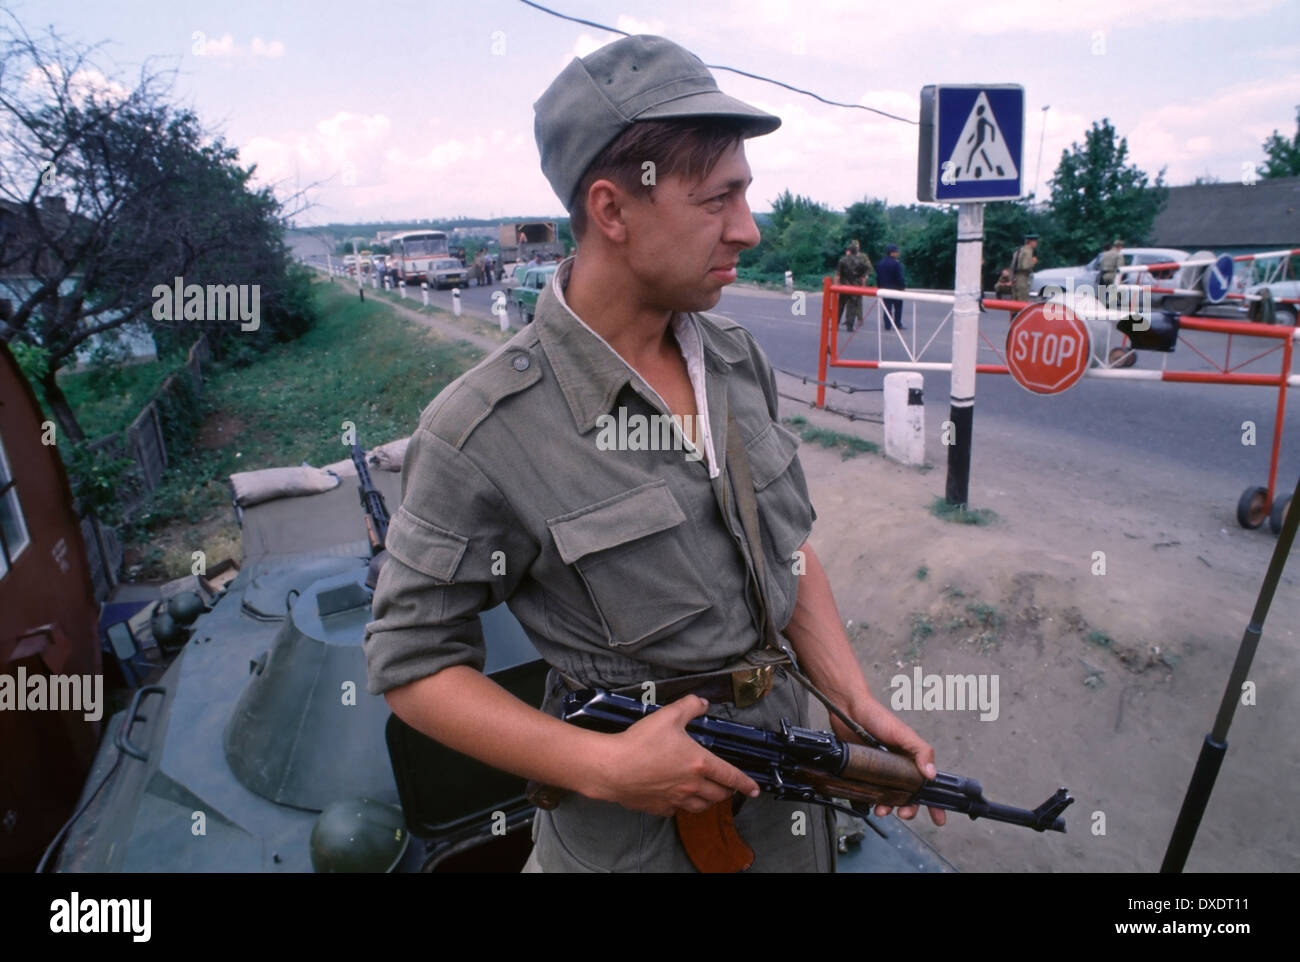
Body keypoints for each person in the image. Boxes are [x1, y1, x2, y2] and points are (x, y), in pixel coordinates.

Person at [363, 33, 942, 874]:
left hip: (784, 811)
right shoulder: (483, 432)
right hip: (631, 849)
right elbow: (413, 667)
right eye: (718, 199)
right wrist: (604, 766)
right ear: (612, 209)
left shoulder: (736, 360)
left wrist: (850, 700)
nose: (747, 229)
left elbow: (785, 550)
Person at [834, 241, 872, 331]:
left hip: (844, 286)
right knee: (852, 307)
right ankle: (849, 326)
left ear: (849, 251)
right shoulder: (861, 261)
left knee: (840, 306)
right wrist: (863, 285)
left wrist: (836, 286)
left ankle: (835, 324)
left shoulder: (842, 260)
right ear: (857, 251)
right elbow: (864, 275)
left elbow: (837, 275)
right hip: (855, 287)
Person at [876, 244, 906, 330]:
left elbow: (878, 277)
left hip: (884, 289)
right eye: (896, 252)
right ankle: (898, 323)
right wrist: (902, 286)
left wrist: (879, 287)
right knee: (898, 307)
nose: (898, 253)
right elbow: (899, 277)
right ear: (892, 253)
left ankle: (887, 325)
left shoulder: (880, 263)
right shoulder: (896, 263)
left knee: (887, 307)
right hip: (896, 289)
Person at [1012, 233, 1038, 302]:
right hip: (1022, 278)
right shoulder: (1028, 251)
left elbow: (1013, 265)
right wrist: (1033, 262)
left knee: (1015, 299)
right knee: (1022, 300)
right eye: (1035, 241)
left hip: (1015, 277)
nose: (1036, 243)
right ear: (1031, 242)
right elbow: (1025, 266)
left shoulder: (1020, 249)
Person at [1098, 238, 1124, 305]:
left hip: (1104, 275)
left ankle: (1103, 305)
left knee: (1104, 293)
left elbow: (1100, 265)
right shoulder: (1119, 255)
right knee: (1114, 293)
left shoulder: (1105, 254)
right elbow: (1120, 268)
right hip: (1113, 275)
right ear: (1120, 247)